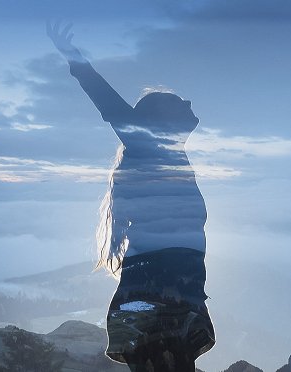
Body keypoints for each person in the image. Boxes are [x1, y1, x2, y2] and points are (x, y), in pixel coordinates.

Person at [47, 21, 215, 372]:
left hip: (169, 290)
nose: (187, 100)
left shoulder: (168, 156)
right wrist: (74, 58)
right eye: (176, 101)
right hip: (159, 293)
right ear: (158, 121)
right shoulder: (148, 146)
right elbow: (111, 106)